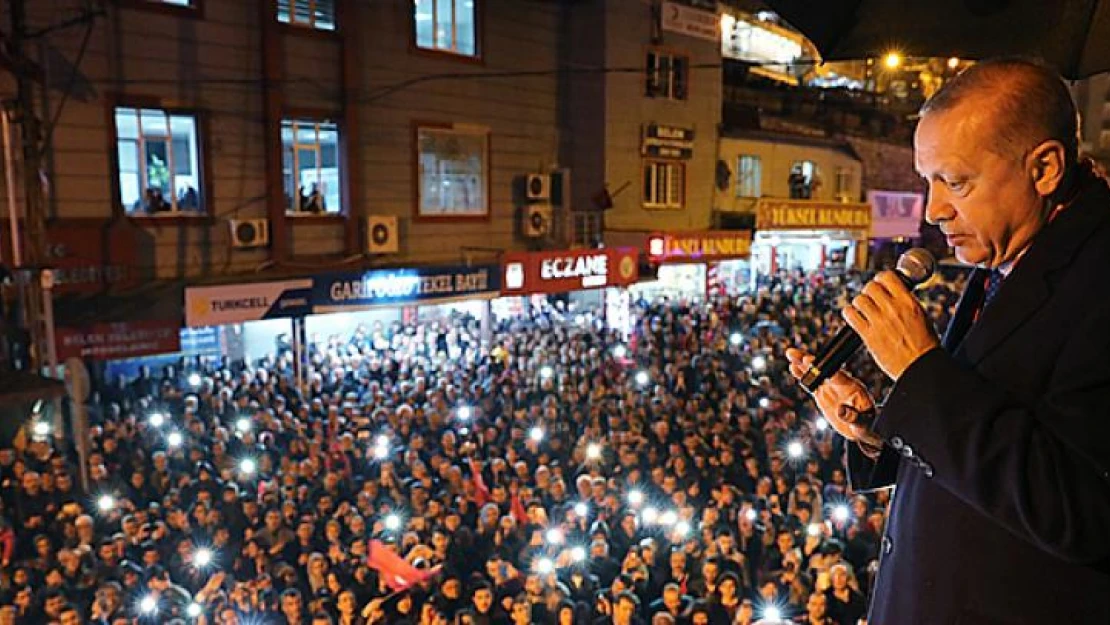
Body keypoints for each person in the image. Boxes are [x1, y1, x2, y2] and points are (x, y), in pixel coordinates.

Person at [786, 58, 1110, 623]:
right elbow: (991, 429)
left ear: (1045, 168)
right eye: (927, 181)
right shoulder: (1007, 251)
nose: (933, 210)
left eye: (955, 182)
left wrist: (920, 372)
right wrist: (879, 428)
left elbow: (1084, 510)